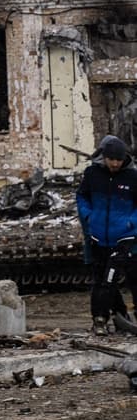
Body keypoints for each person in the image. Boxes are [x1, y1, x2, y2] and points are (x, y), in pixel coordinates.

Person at [76, 134, 137, 335]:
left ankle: (111, 317)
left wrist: (131, 223)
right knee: (102, 280)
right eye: (112, 159)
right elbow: (82, 196)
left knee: (115, 278)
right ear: (105, 157)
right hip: (99, 236)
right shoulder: (93, 174)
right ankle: (107, 318)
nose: (115, 164)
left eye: (119, 160)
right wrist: (88, 216)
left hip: (125, 237)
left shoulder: (132, 177)